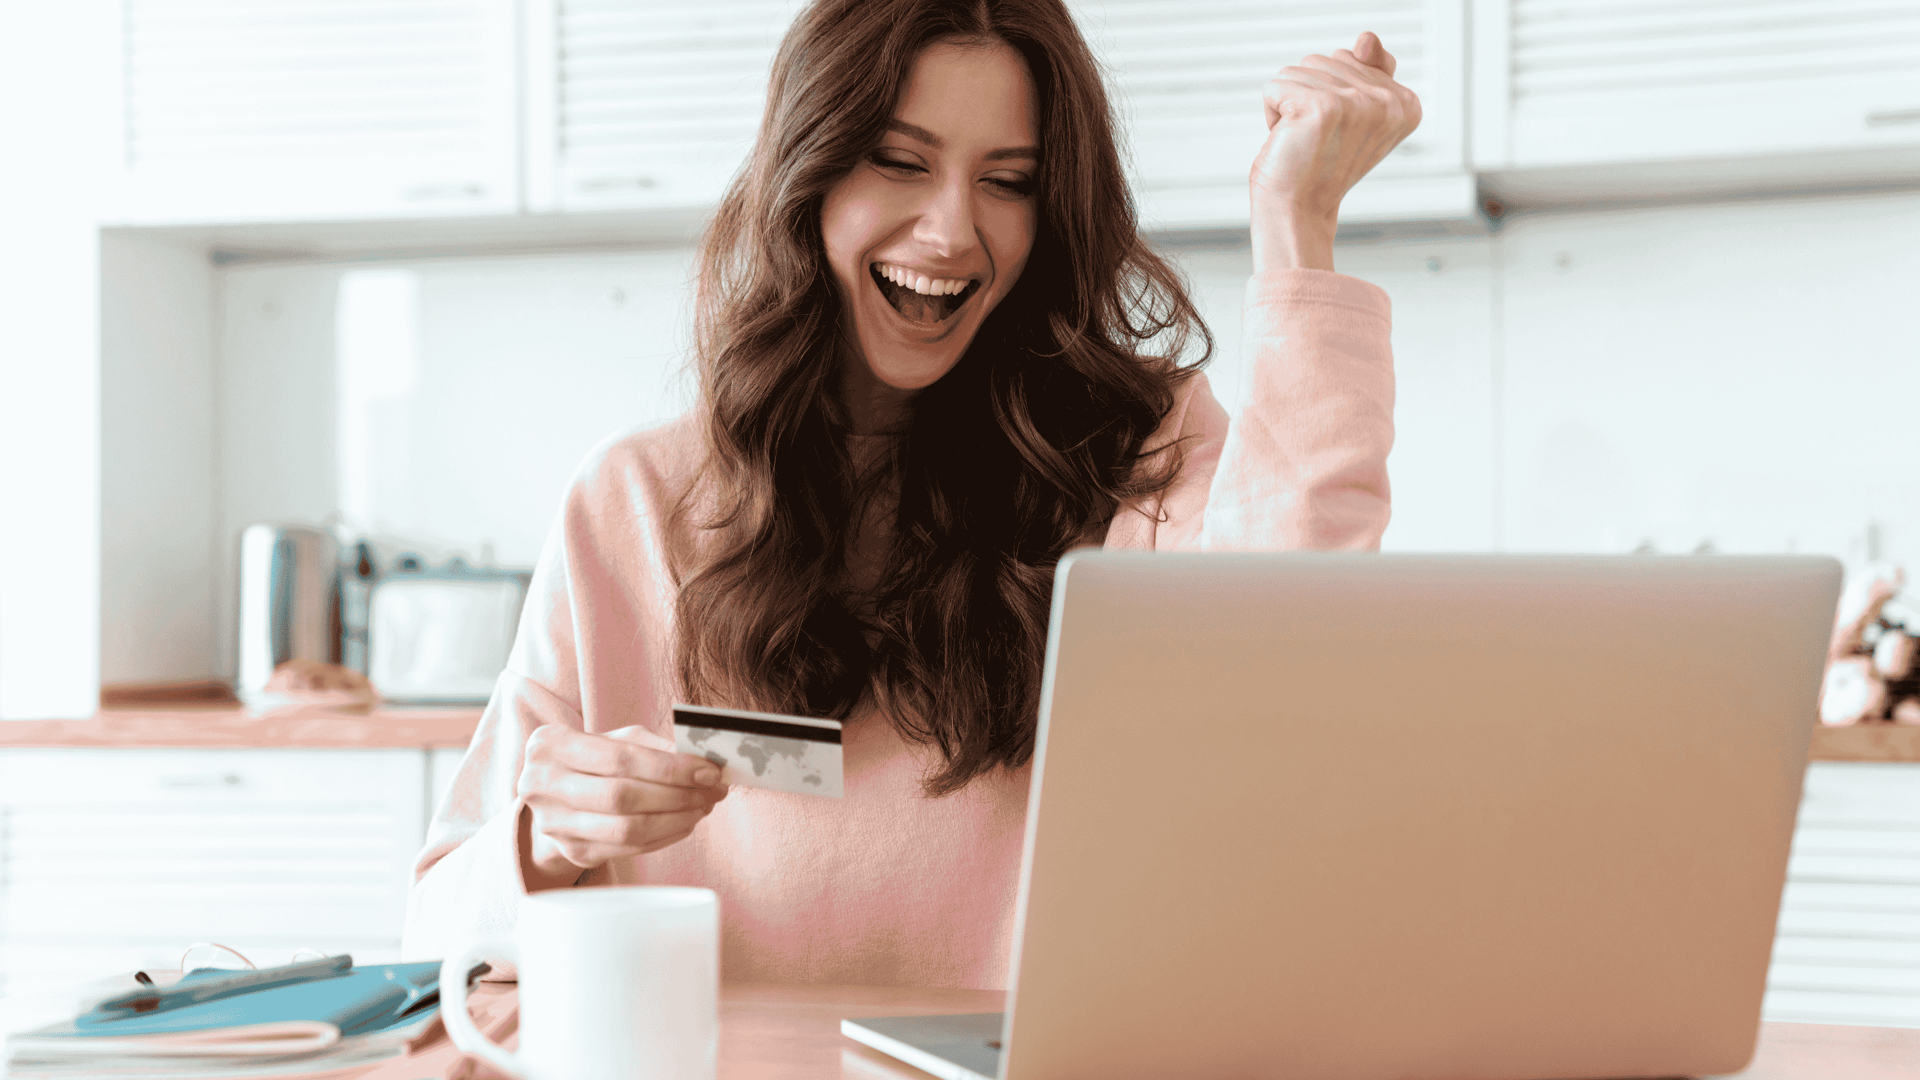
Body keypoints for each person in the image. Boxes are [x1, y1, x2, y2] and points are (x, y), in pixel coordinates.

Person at [403, 0, 1416, 989]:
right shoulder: (634, 500)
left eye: (1008, 181)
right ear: (809, 171)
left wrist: (1297, 225)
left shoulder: (1136, 456)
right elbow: (440, 931)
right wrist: (548, 837)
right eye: (899, 162)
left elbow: (1295, 652)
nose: (951, 231)